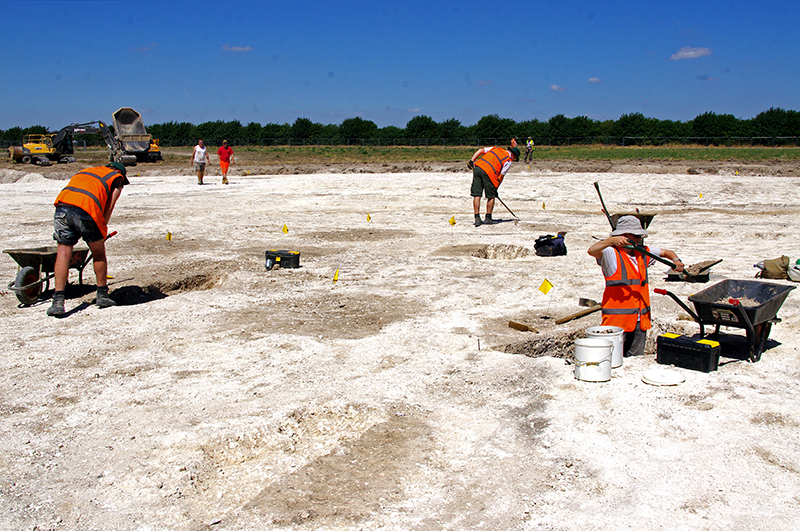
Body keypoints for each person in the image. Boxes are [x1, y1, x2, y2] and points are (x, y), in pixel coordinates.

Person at [587, 215, 685, 356]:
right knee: (613, 359)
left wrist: (676, 260)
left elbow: (666, 252)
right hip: (617, 321)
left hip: (640, 320)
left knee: (634, 360)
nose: (639, 239)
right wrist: (612, 240)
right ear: (624, 235)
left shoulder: (642, 252)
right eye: (636, 236)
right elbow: (592, 251)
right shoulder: (611, 253)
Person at [46, 162, 129, 317]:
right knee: (98, 253)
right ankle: (102, 295)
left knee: (63, 253)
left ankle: (57, 301)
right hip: (86, 210)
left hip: (62, 207)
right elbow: (109, 207)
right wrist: (102, 230)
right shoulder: (116, 178)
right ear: (119, 172)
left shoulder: (87, 171)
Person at [467, 143, 520, 226]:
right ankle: (488, 218)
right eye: (515, 158)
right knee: (491, 196)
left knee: (477, 194)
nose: (513, 160)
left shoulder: (496, 148)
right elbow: (501, 176)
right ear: (513, 155)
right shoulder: (508, 161)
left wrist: (471, 161)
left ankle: (477, 218)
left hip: (478, 167)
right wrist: (495, 188)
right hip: (489, 173)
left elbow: (480, 150)